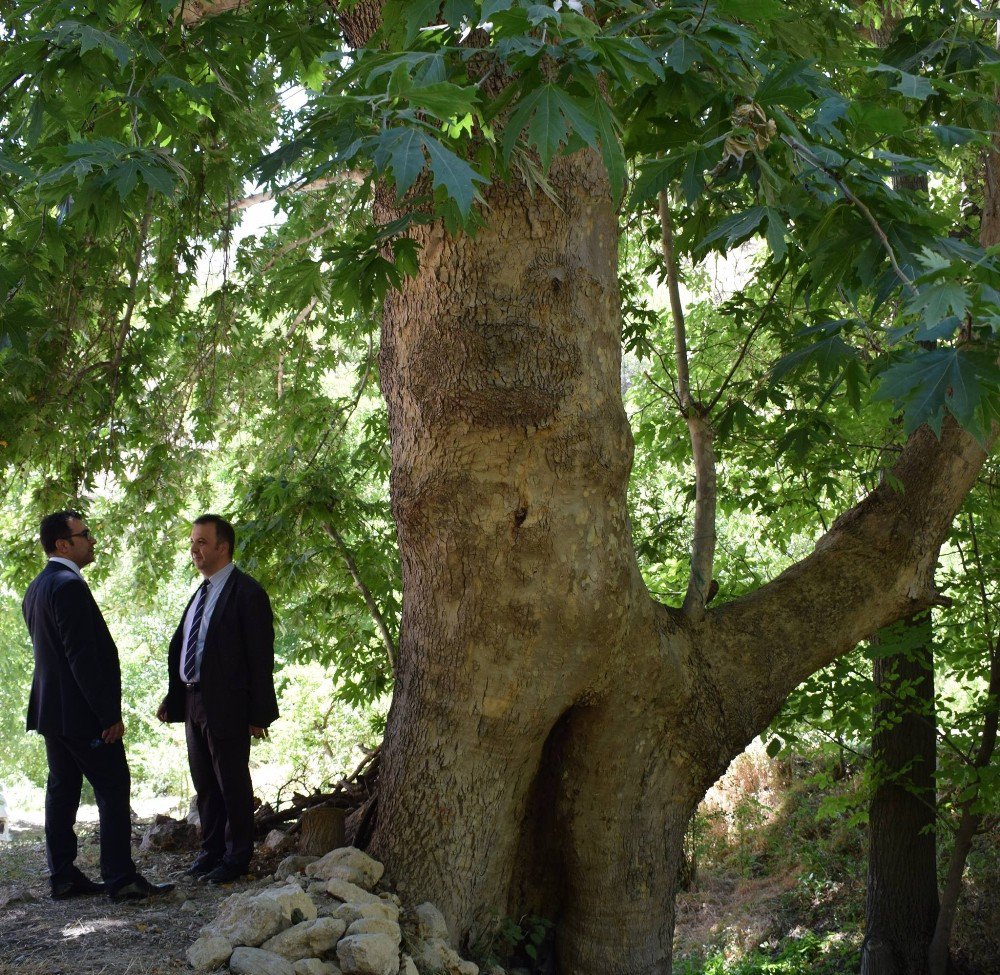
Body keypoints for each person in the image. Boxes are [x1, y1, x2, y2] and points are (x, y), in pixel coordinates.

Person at [23, 511, 174, 902]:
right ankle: (121, 878)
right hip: (80, 713)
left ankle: (63, 876)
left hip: (51, 711)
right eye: (84, 534)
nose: (92, 540)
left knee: (62, 789)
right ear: (63, 544)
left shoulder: (37, 587)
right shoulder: (68, 586)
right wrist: (107, 714)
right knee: (112, 786)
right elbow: (81, 657)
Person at [157, 514, 278, 884]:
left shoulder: (247, 593)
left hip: (229, 704)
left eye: (201, 543)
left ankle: (237, 856)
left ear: (222, 547)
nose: (194, 550)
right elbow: (188, 648)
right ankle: (211, 852)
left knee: (231, 782)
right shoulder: (200, 593)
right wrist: (174, 696)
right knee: (205, 783)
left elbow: (260, 657)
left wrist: (258, 712)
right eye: (192, 543)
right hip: (194, 701)